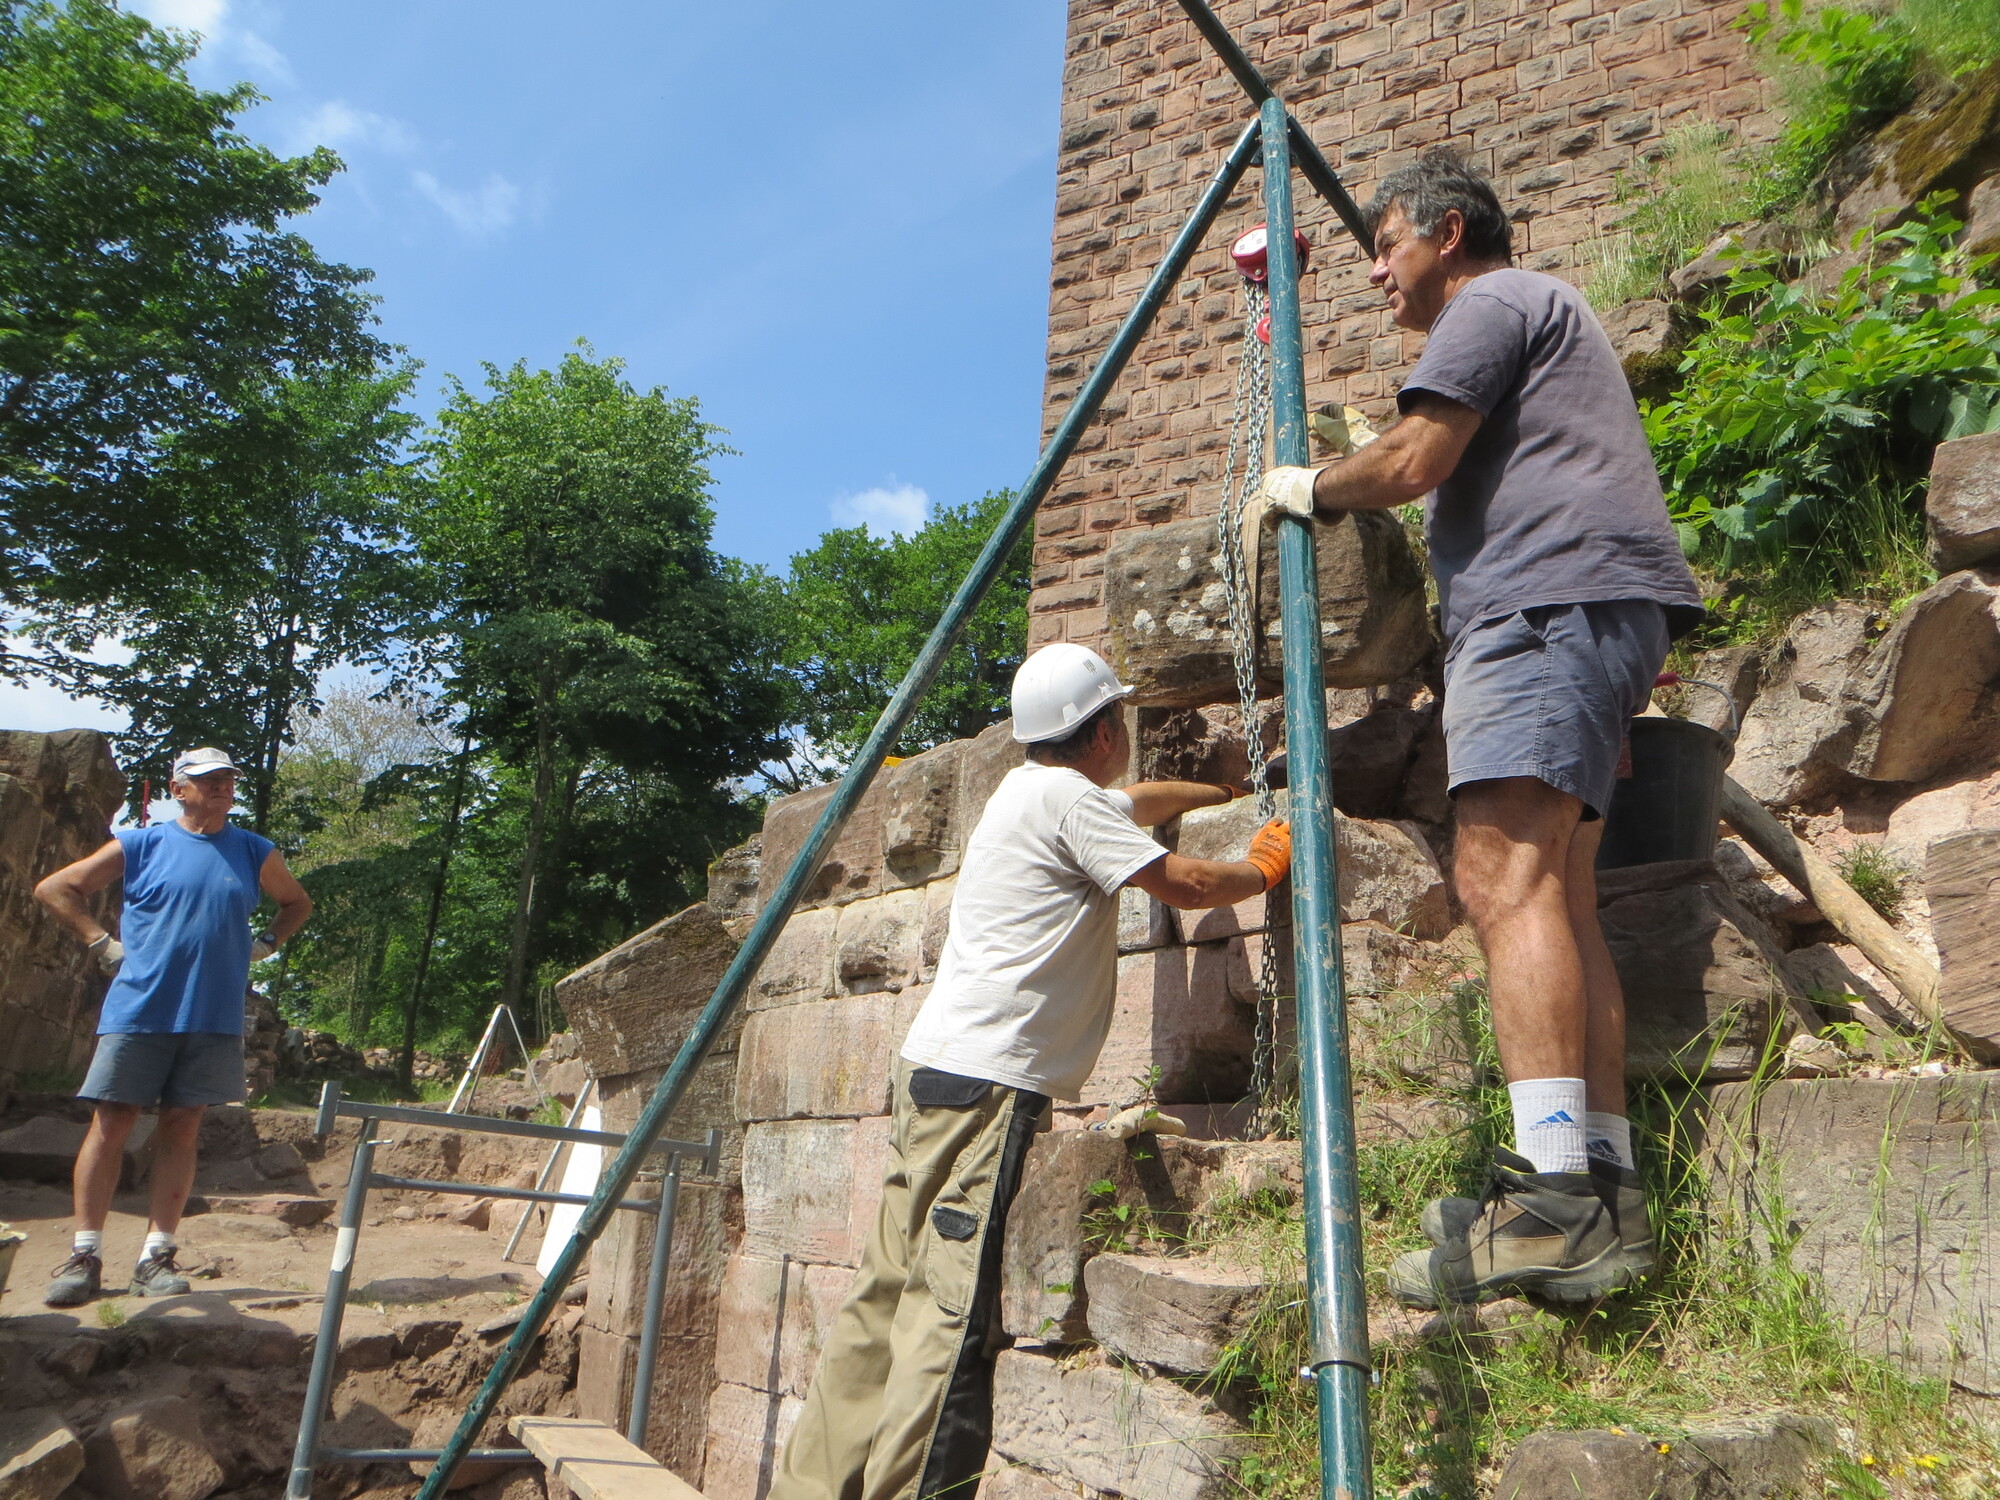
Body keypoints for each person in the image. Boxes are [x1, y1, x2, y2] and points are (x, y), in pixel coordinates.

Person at [1256, 148, 1703, 1307]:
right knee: (1557, 894)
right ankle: (1596, 1191)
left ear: (1446, 233)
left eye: (1385, 245)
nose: (1373, 271)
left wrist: (1303, 486)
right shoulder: (1547, 311)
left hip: (1541, 609)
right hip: (1592, 614)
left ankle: (1548, 1201)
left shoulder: (1490, 302)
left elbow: (1413, 459)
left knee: (1499, 882)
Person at [768, 643, 1292, 1500]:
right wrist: (1261, 865)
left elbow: (1136, 804)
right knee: (947, 1312)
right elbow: (1191, 885)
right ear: (1103, 732)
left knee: (882, 1296)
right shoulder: (1068, 803)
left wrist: (1219, 795)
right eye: (1118, 718)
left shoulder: (1029, 794)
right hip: (990, 1088)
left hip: (934, 1070)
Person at [33, 746, 313, 1305]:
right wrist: (101, 943)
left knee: (183, 1127)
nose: (222, 787)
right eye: (208, 780)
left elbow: (297, 903)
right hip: (140, 1009)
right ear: (178, 788)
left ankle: (156, 1256)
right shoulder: (142, 843)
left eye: (228, 778)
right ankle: (84, 1256)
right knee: (112, 1123)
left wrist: (266, 944)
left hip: (213, 1013)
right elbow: (55, 887)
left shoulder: (254, 850)